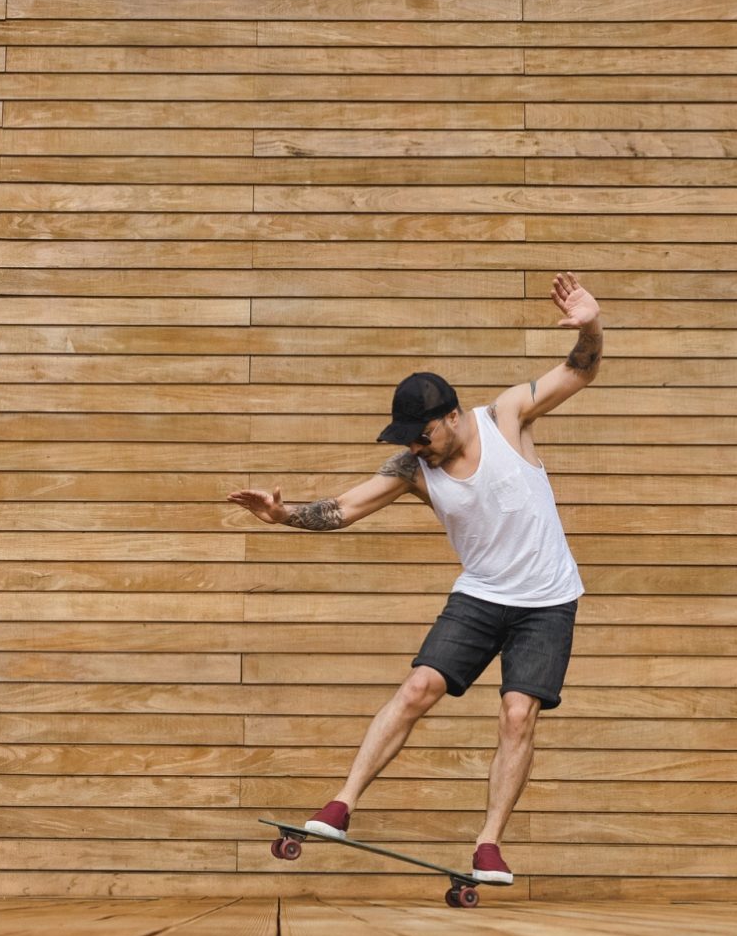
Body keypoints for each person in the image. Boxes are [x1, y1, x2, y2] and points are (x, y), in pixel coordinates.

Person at [227, 272, 603, 884]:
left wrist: (590, 324)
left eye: (422, 435)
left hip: (547, 601)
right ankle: (341, 806)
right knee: (417, 688)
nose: (416, 448)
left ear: (452, 417)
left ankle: (487, 845)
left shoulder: (508, 416)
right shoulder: (412, 467)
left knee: (516, 714)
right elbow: (342, 509)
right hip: (481, 594)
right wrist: (281, 516)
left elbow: (580, 370)